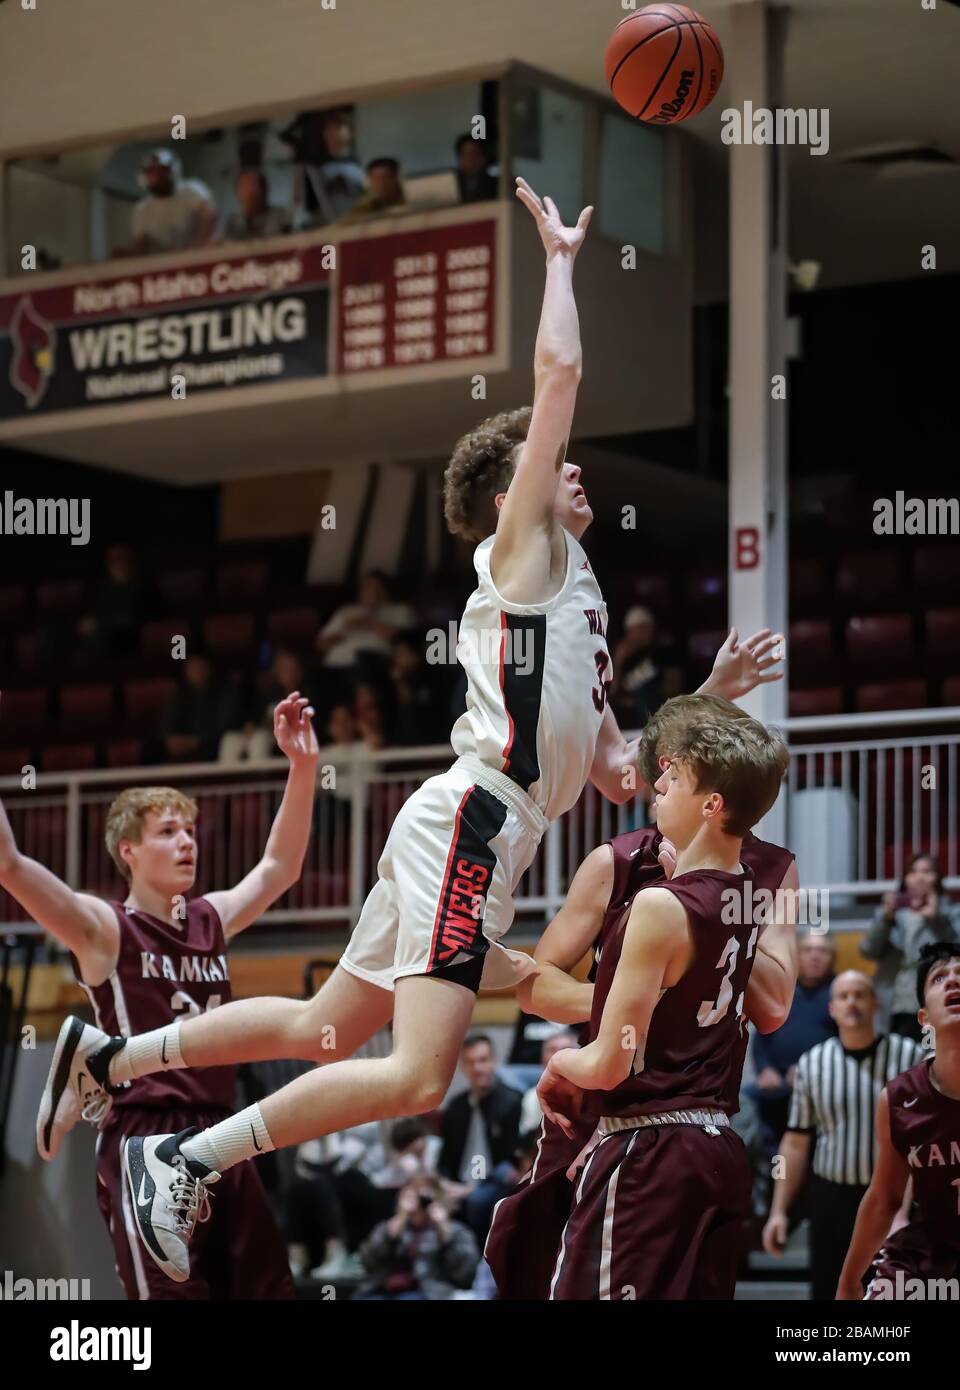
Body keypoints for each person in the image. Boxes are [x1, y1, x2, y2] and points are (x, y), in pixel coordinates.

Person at [52, 178, 780, 1286]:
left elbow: (631, 772)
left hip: (468, 824)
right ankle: (188, 1157)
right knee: (412, 1077)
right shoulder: (523, 551)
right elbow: (560, 375)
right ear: (514, 496)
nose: (575, 469)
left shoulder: (578, 596)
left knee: (325, 1028)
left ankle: (115, 1054)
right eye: (554, 466)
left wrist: (716, 689)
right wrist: (562, 263)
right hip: (473, 827)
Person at [485, 693, 799, 1302]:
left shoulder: (754, 878)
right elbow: (538, 987)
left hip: (648, 1128)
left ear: (712, 793)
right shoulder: (622, 860)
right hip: (647, 1127)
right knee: (532, 1252)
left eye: (673, 772)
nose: (657, 781)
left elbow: (771, 1005)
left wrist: (715, 917)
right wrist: (634, 999)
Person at [7, 694, 318, 1299]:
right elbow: (13, 866)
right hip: (144, 1136)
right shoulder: (104, 929)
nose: (187, 843)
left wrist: (302, 768)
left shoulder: (210, 918)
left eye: (190, 832)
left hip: (223, 1131)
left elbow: (280, 867)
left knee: (266, 1289)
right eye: (167, 832)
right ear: (129, 851)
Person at [761, 972, 922, 1301]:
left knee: (894, 1291)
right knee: (830, 1290)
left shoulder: (910, 1057)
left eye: (860, 994)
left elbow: (919, 1143)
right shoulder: (812, 1062)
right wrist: (778, 1210)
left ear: (876, 1002)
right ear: (832, 1008)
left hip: (890, 1197)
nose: (852, 1002)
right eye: (844, 996)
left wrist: (904, 1210)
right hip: (830, 1198)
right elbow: (793, 1143)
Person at [838, 942, 960, 1300]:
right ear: (924, 1017)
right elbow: (883, 1198)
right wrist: (849, 1280)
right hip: (925, 1258)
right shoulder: (899, 1098)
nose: (953, 982)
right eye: (940, 978)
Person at [748, 929, 837, 1147]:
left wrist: (808, 1070)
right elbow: (761, 1039)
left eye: (822, 951)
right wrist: (764, 1069)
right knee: (742, 1103)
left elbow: (846, 1042)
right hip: (777, 1082)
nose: (815, 956)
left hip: (823, 1082)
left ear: (832, 958)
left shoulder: (841, 993)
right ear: (796, 955)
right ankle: (761, 1175)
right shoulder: (781, 990)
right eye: (808, 950)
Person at [860, 853, 957, 1041]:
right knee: (901, 1060)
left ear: (937, 878)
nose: (920, 877)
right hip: (897, 1000)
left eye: (927, 871)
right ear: (905, 879)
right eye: (913, 872)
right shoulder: (891, 913)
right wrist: (885, 920)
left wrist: (937, 920)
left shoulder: (950, 912)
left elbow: (956, 950)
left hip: (937, 996)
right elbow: (868, 950)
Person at [438, 1034, 523, 1241]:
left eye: (483, 1060)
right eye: (470, 1062)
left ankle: (481, 1263)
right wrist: (442, 1183)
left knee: (476, 1201)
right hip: (458, 1181)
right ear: (462, 1067)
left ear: (493, 1061)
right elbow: (446, 1155)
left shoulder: (512, 1102)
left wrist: (470, 1189)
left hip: (494, 1181)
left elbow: (511, 1162)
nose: (477, 1068)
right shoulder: (456, 1107)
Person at [353, 1176, 479, 1301]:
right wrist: (398, 1223)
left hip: (427, 1292)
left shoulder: (456, 1231)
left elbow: (467, 1275)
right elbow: (367, 1261)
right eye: (411, 1197)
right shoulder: (391, 1227)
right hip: (382, 1291)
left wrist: (444, 1233)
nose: (418, 1205)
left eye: (424, 1199)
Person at [315, 571, 415, 677]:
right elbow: (321, 645)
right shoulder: (346, 611)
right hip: (335, 665)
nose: (373, 593)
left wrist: (367, 623)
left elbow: (403, 643)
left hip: (371, 666)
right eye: (368, 588)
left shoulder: (400, 611)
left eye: (378, 588)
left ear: (387, 591)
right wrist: (343, 631)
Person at [127, 150, 218, 256]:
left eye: (162, 171)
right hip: (162, 265)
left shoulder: (191, 191)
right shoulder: (142, 209)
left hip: (197, 256)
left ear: (172, 171)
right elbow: (140, 244)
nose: (157, 177)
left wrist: (199, 244)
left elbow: (209, 215)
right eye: (151, 172)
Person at [609, 605, 663, 728]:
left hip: (658, 715)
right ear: (629, 632)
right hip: (631, 723)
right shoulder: (621, 657)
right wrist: (618, 662)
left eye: (647, 628)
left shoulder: (659, 654)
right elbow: (611, 692)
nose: (645, 634)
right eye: (640, 629)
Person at [519, 1031, 578, 1136]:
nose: (557, 1057)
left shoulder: (594, 1094)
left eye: (565, 1049)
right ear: (542, 1059)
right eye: (552, 1050)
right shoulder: (531, 1098)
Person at [222, 169, 290, 242]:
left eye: (253, 185)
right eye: (244, 186)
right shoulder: (234, 221)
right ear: (237, 191)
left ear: (264, 190)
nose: (250, 192)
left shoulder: (280, 216)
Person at [338, 158, 406, 223]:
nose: (381, 183)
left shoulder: (410, 198)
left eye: (386, 177)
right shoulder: (365, 206)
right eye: (376, 179)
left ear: (396, 178)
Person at [454, 134, 498, 204]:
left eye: (474, 153)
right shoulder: (452, 185)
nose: (470, 159)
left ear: (483, 157)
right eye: (466, 154)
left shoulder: (496, 185)